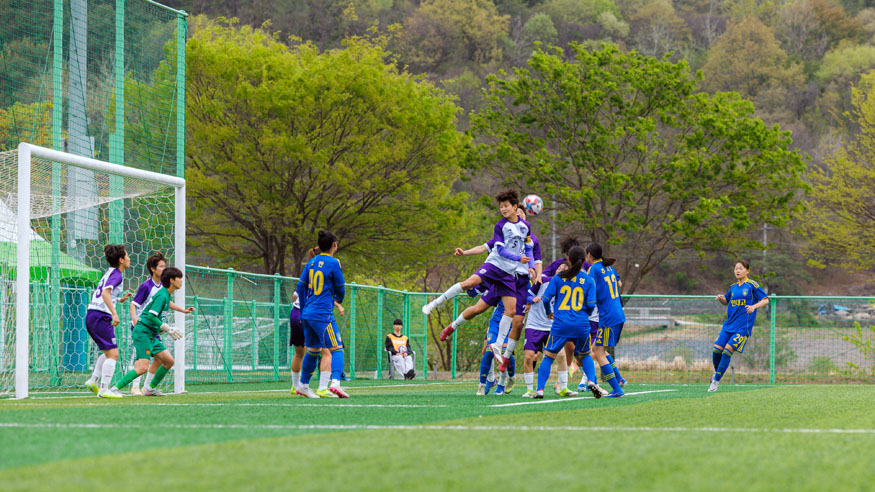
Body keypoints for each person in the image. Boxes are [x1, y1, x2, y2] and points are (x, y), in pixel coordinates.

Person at [422, 190, 533, 367]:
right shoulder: (501, 227)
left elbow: (530, 252)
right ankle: (436, 305)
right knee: (470, 286)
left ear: (520, 211)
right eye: (501, 206)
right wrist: (465, 252)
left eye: (507, 207)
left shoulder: (526, 231)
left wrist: (533, 267)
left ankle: (498, 346)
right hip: (494, 267)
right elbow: (487, 248)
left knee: (510, 313)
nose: (504, 209)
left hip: (511, 277)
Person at [534, 246, 601, 399]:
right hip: (582, 324)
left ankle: (540, 390)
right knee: (585, 355)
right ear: (584, 260)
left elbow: (546, 299)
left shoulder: (558, 278)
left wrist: (548, 312)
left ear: (568, 259)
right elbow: (591, 305)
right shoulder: (589, 280)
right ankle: (591, 381)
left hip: (560, 325)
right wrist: (586, 315)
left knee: (549, 357)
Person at [113, 267, 188, 396]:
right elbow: (150, 316)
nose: (181, 281)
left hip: (152, 334)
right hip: (143, 333)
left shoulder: (166, 295)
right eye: (179, 278)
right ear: (171, 280)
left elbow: (154, 319)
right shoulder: (162, 295)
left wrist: (163, 329)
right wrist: (168, 328)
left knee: (169, 361)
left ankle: (149, 388)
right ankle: (114, 388)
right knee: (142, 367)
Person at [127, 252, 194, 396]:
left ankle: (147, 388)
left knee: (161, 358)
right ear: (153, 269)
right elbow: (133, 304)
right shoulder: (146, 286)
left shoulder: (163, 289)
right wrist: (135, 320)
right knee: (141, 360)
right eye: (161, 266)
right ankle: (134, 387)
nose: (164, 269)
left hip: (154, 327)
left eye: (165, 266)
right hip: (143, 325)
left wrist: (182, 310)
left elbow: (166, 302)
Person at [296, 230, 348, 398]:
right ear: (334, 245)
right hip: (323, 314)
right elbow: (341, 287)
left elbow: (300, 287)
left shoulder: (311, 262)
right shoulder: (334, 263)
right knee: (337, 348)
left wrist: (304, 308)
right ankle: (335, 383)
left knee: (313, 350)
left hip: (308, 313)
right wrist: (339, 299)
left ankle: (303, 385)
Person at [709, 260, 769, 392]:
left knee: (726, 352)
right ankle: (717, 373)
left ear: (747, 270)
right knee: (716, 350)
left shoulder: (752, 285)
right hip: (728, 325)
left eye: (741, 268)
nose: (737, 271)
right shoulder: (733, 287)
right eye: (736, 268)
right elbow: (726, 301)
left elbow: (765, 300)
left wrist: (753, 306)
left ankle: (715, 382)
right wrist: (721, 299)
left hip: (742, 328)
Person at [83, 244, 133, 398]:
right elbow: (105, 293)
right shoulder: (117, 274)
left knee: (108, 351)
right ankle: (104, 390)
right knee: (113, 354)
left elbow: (105, 294)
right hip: (101, 316)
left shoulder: (110, 273)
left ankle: (93, 381)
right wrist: (114, 313)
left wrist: (119, 299)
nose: (129, 258)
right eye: (127, 255)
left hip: (93, 314)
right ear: (121, 259)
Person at [585, 242, 627, 397]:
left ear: (589, 254)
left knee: (598, 352)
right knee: (600, 349)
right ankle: (619, 381)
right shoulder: (608, 267)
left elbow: (587, 289)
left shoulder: (593, 269)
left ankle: (617, 389)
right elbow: (619, 282)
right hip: (617, 313)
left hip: (609, 316)